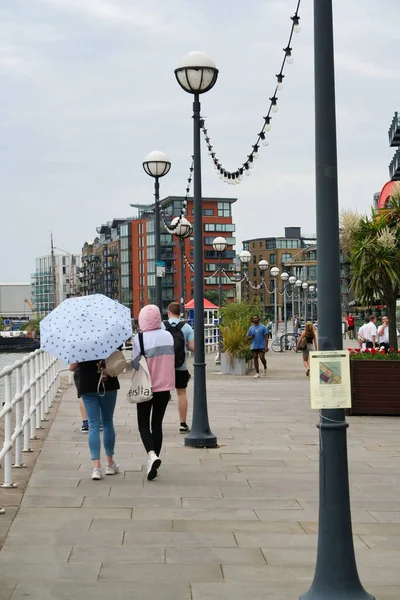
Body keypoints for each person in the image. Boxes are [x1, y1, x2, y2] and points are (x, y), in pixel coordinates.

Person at [132, 304, 175, 481]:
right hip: (164, 388)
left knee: (143, 424)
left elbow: (135, 364)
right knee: (156, 424)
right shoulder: (168, 336)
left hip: (145, 387)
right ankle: (154, 462)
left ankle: (151, 455)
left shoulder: (139, 338)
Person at [69, 359, 120, 480]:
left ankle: (96, 467)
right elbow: (117, 361)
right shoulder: (109, 341)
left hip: (87, 385)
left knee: (93, 425)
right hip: (108, 383)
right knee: (107, 423)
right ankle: (110, 463)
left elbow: (72, 367)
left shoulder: (80, 343)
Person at [162, 302, 194, 434]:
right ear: (180, 313)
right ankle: (183, 423)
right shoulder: (186, 328)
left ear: (169, 312)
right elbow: (192, 348)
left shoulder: (161, 326)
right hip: (181, 366)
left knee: (161, 394)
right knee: (181, 393)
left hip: (164, 367)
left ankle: (157, 422)